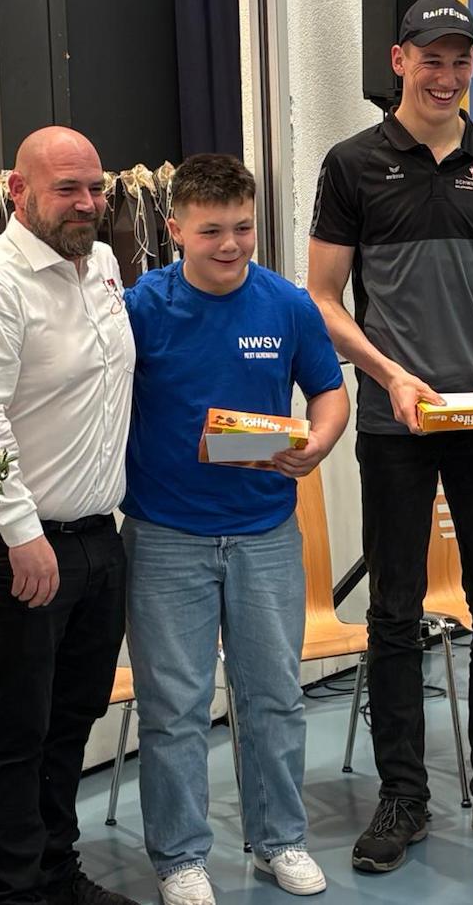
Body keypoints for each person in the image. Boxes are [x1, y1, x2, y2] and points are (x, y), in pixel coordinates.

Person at [307, 0, 473, 873]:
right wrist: (390, 375)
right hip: (395, 421)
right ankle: (403, 798)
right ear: (399, 61)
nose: (446, 75)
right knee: (393, 611)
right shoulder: (352, 164)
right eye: (431, 58)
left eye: (460, 59)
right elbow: (323, 299)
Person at [121, 153, 349, 905]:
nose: (229, 244)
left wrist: (318, 443)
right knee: (174, 709)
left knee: (274, 698)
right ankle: (180, 858)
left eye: (243, 228)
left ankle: (280, 841)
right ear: (175, 228)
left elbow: (329, 394)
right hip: (165, 535)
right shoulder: (140, 308)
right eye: (211, 230)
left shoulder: (286, 304)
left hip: (265, 533)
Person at [0, 126, 138, 905]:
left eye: (95, 187)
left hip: (95, 541)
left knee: (70, 723)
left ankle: (56, 872)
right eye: (65, 189)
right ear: (18, 193)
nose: (86, 203)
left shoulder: (103, 264)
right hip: (12, 552)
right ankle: (16, 893)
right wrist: (21, 532)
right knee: (14, 736)